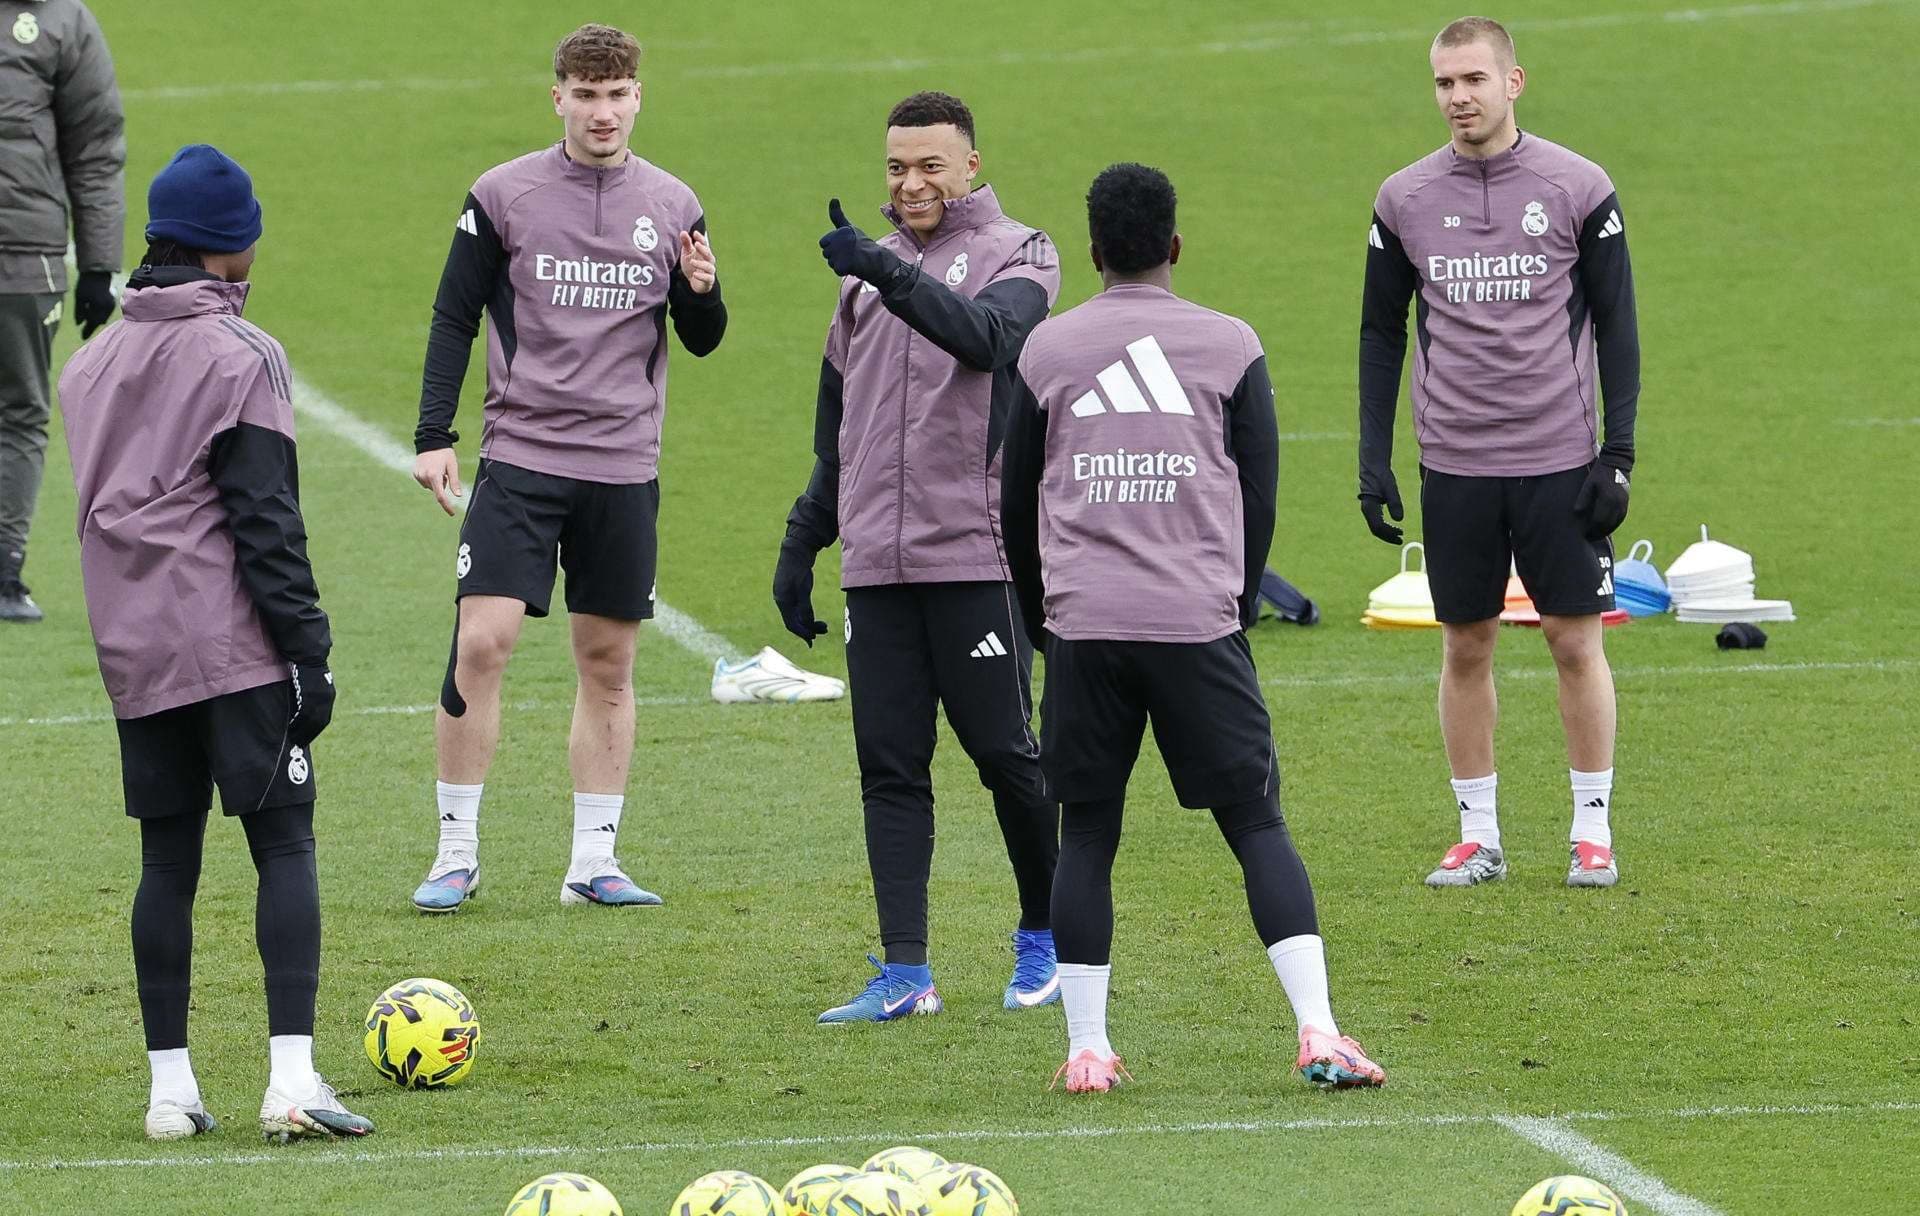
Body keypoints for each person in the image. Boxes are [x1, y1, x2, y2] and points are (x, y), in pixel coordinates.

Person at [1002, 162, 1385, 1093]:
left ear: (1092, 251)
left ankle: (1086, 1050)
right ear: (1175, 246)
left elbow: (1012, 503)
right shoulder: (1230, 345)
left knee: (1086, 834)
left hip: (1086, 624)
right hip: (1197, 623)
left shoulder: (1047, 352)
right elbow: (1259, 493)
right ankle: (1319, 1032)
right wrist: (1236, 600)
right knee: (1256, 822)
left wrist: (1044, 614)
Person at [58, 145, 372, 1142]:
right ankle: (290, 1081)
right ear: (234, 249)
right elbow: (263, 520)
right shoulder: (243, 356)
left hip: (131, 650)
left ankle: (170, 1092)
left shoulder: (89, 363)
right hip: (231, 647)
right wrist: (310, 651)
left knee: (167, 859)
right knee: (283, 840)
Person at [408, 23, 726, 913]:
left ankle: (593, 864)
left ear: (638, 98)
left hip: (623, 465)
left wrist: (704, 292)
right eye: (585, 95)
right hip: (522, 455)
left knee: (609, 662)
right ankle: (455, 852)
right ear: (558, 98)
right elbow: (452, 315)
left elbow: (699, 341)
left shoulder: (673, 203)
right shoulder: (502, 195)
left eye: (617, 93)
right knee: (482, 642)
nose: (602, 111)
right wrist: (435, 433)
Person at [774, 91, 1063, 1022]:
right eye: (897, 167)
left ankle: (1044, 938)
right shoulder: (865, 275)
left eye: (931, 165)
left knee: (1005, 757)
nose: (911, 184)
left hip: (976, 554)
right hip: (877, 563)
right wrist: (805, 536)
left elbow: (989, 340)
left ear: (972, 165)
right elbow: (838, 415)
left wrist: (884, 273)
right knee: (889, 765)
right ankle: (906, 972)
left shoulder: (1024, 252)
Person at [1357, 16, 1640, 889]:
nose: (1457, 97)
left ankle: (1591, 831)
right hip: (1455, 462)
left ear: (1513, 82)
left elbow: (1619, 326)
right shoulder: (1402, 198)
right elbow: (1380, 330)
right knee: (1467, 643)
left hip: (1560, 456)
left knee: (1571, 641)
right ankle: (1478, 836)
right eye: (1444, 83)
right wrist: (1375, 456)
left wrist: (1618, 453)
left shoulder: (1578, 187)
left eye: (1473, 80)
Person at [0, 0, 124, 621]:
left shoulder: (65, 21)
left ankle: (1, 572)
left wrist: (99, 264)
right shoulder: (63, 21)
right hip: (29, 254)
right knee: (19, 414)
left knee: (19, 410)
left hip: (25, 254)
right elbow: (97, 143)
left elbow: (95, 144)